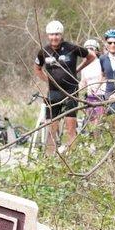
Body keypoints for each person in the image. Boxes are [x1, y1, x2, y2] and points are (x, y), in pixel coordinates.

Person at [34, 20, 92, 152]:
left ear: (61, 35)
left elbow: (91, 56)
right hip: (53, 94)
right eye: (51, 35)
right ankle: (49, 162)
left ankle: (72, 159)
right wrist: (47, 81)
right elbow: (37, 68)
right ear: (48, 36)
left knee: (70, 128)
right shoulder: (44, 51)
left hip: (70, 92)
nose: (54, 37)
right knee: (51, 130)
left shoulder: (71, 47)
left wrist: (77, 70)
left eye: (57, 34)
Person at [78, 38, 107, 131]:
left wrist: (97, 88)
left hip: (101, 96)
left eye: (91, 48)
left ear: (97, 50)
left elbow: (104, 77)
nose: (89, 50)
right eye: (87, 49)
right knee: (90, 122)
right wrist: (76, 90)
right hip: (89, 97)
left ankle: (99, 142)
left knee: (97, 122)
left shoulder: (101, 62)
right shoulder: (84, 66)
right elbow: (83, 82)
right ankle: (93, 143)